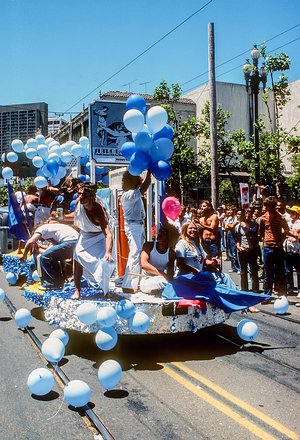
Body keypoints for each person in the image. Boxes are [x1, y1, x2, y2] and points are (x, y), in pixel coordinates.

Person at [71, 184, 113, 299]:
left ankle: (105, 289)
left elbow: (108, 234)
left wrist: (108, 252)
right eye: (80, 194)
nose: (81, 196)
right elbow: (76, 217)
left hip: (99, 236)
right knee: (77, 257)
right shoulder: (78, 202)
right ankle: (77, 290)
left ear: (91, 196)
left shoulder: (98, 211)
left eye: (84, 194)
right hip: (85, 234)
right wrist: (61, 218)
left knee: (104, 262)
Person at [20, 219, 79, 290]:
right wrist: (63, 275)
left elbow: (30, 242)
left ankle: (51, 284)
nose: (40, 240)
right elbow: (60, 259)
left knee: (44, 257)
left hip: (71, 241)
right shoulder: (54, 233)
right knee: (50, 257)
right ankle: (58, 283)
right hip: (76, 242)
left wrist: (24, 256)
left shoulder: (41, 229)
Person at [121, 169, 151, 293]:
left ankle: (137, 282)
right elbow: (146, 185)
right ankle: (129, 285)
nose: (141, 179)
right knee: (135, 253)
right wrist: (149, 171)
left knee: (139, 253)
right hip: (133, 226)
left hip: (137, 225)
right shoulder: (129, 194)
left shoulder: (132, 194)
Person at [259, 196, 295, 299]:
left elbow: (287, 231)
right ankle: (267, 295)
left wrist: (281, 239)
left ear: (274, 206)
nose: (269, 209)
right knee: (268, 272)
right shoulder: (263, 218)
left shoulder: (281, 217)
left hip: (278, 247)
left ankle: (282, 293)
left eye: (271, 207)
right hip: (267, 247)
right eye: (268, 207)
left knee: (280, 271)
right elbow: (261, 233)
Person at [140, 226, 176, 295]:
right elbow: (144, 265)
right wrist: (162, 274)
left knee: (170, 281)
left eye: (163, 233)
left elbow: (170, 274)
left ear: (169, 237)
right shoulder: (148, 245)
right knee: (162, 281)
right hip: (146, 281)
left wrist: (168, 278)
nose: (159, 234)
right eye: (159, 232)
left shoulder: (171, 253)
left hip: (161, 279)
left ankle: (161, 291)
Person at [284, 205, 300, 295]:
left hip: (296, 249)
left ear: (296, 214)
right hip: (287, 248)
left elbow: (297, 235)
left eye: (292, 212)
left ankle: (299, 290)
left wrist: (293, 235)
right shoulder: (289, 223)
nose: (290, 214)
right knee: (287, 270)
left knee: (298, 271)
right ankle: (290, 289)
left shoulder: (298, 223)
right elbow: (285, 233)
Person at [224, 206, 240, 273]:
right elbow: (225, 227)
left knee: (234, 251)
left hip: (234, 235)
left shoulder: (236, 218)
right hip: (229, 234)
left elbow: (232, 226)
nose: (229, 212)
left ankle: (238, 268)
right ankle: (233, 267)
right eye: (228, 210)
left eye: (230, 210)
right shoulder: (229, 218)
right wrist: (228, 225)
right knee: (230, 251)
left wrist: (229, 225)